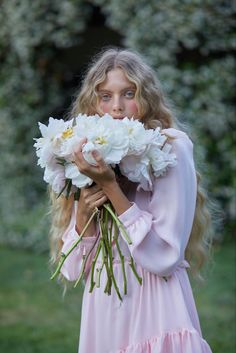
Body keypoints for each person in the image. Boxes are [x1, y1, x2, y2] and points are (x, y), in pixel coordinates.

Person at [49, 48, 213, 353]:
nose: (117, 108)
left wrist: (111, 187)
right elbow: (71, 269)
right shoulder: (85, 152)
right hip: (103, 306)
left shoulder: (171, 148)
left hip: (154, 303)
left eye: (128, 93)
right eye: (105, 96)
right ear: (93, 103)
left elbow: (164, 258)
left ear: (147, 97)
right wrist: (83, 214)